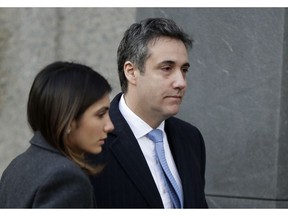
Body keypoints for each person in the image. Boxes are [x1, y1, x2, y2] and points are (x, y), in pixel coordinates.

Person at [89, 17, 208, 208]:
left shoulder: (191, 139)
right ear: (131, 72)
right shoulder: (92, 141)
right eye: (167, 68)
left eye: (184, 70)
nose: (181, 82)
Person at [0, 61, 114, 208]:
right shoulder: (65, 178)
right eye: (100, 114)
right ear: (67, 121)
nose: (110, 126)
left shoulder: (17, 166)